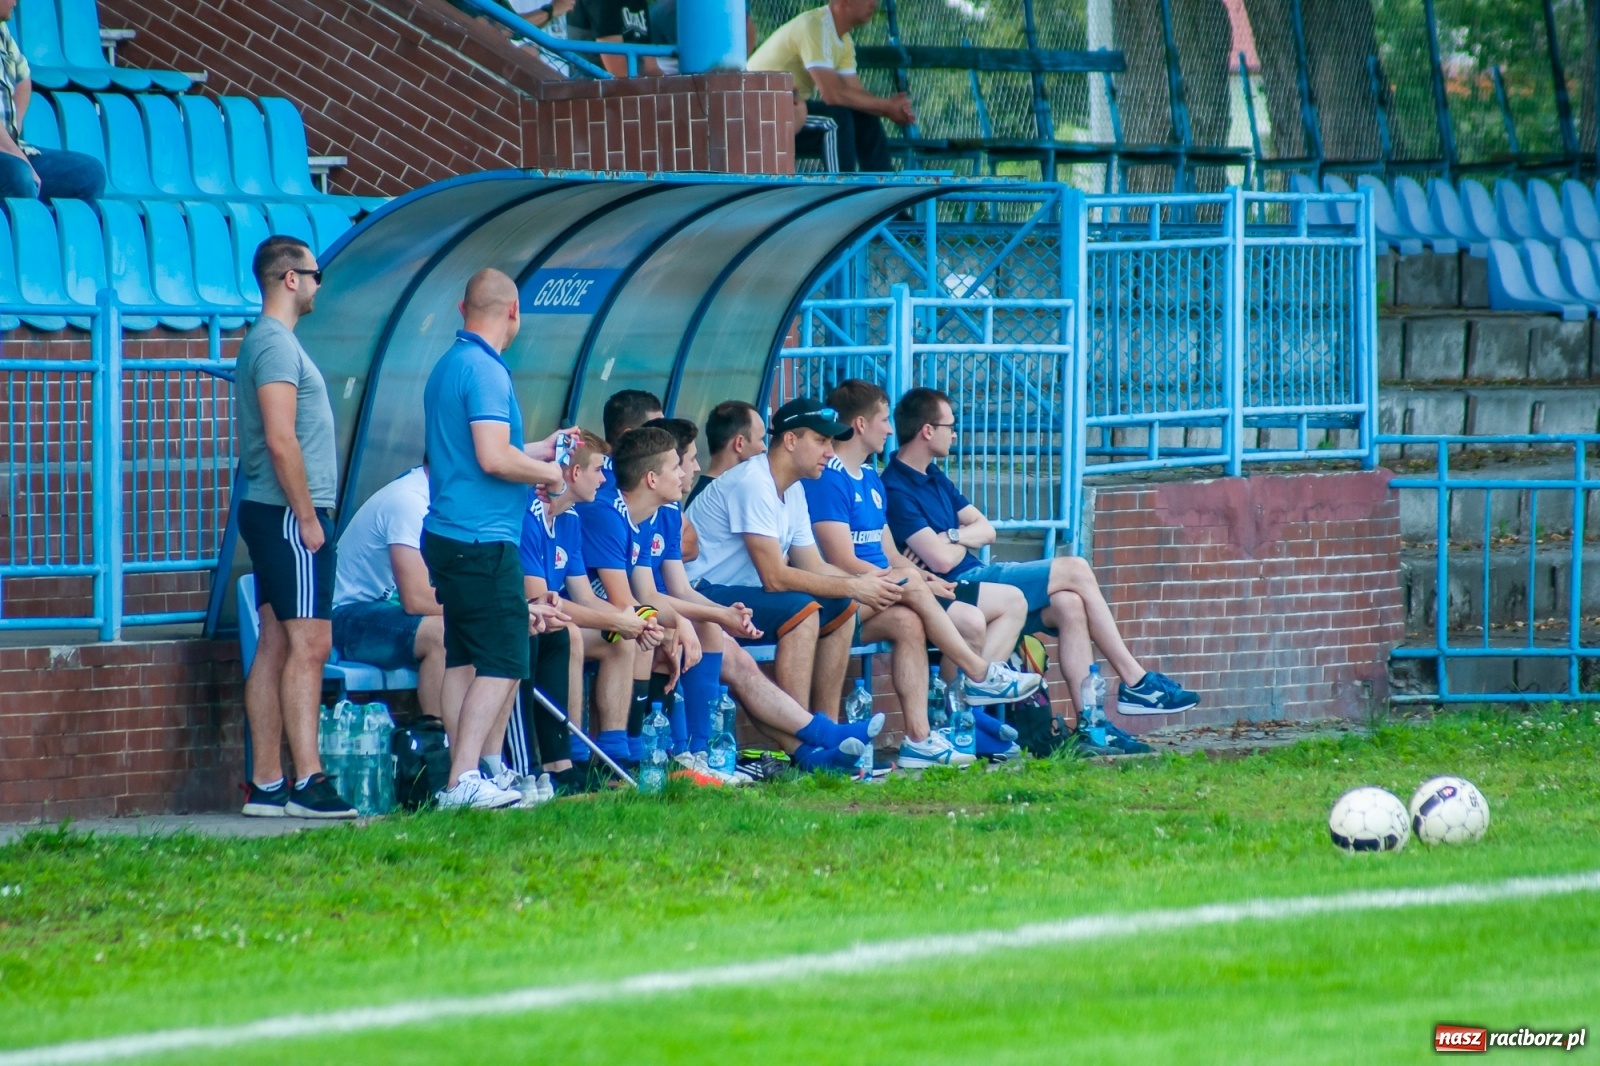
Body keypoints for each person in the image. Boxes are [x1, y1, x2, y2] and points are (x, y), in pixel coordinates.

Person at [883, 387, 1199, 751]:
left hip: (977, 577)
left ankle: (1092, 727)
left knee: (1069, 604)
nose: (954, 434)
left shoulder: (935, 476)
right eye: (950, 426)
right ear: (927, 430)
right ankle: (1136, 681)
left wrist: (951, 536)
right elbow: (940, 562)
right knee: (1076, 569)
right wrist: (959, 543)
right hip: (963, 585)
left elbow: (986, 530)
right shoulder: (895, 485)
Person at [615, 423, 883, 775]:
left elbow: (672, 589)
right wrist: (708, 616)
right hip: (634, 619)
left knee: (735, 646)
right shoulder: (615, 513)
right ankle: (696, 752)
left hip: (675, 610)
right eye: (683, 464)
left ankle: (811, 750)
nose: (693, 470)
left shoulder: (665, 513)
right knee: (770, 627)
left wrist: (719, 614)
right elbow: (640, 597)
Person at [807, 380, 1042, 767]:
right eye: (884, 420)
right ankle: (979, 672)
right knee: (916, 586)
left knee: (909, 624)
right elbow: (842, 560)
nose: (889, 429)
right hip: (839, 594)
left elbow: (887, 552)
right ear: (862, 424)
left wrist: (924, 579)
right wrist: (907, 579)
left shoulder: (869, 477)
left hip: (874, 595)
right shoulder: (829, 478)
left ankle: (918, 739)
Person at [421, 268, 570, 809]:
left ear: (463, 309)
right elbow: (490, 456)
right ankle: (465, 779)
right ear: (513, 313)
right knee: (507, 656)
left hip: (451, 535)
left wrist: (540, 448)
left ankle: (471, 775)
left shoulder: (450, 365)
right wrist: (553, 476)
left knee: (465, 658)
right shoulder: (486, 371)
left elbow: (480, 449)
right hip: (482, 540)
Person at [234, 236, 355, 819]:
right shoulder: (276, 346)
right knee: (312, 643)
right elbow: (282, 440)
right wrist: (309, 517)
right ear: (290, 279)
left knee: (278, 642)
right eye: (315, 274)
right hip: (288, 515)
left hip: (274, 512)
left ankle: (266, 784)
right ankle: (307, 781)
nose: (318, 285)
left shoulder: (271, 343)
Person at [687, 397, 899, 714]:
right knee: (802, 608)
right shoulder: (754, 482)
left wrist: (873, 584)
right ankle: (802, 732)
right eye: (820, 441)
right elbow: (775, 579)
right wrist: (855, 586)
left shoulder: (795, 487)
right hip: (701, 593)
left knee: (843, 605)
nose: (830, 452)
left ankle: (826, 723)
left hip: (741, 595)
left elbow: (813, 565)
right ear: (789, 440)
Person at [518, 429, 666, 791]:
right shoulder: (529, 514)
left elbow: (584, 596)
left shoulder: (570, 520)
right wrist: (618, 618)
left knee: (621, 638)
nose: (605, 478)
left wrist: (636, 621)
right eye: (599, 469)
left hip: (555, 621)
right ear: (574, 473)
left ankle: (613, 754)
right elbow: (541, 601)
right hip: (530, 625)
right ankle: (570, 759)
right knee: (567, 632)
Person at [330, 464, 448, 721]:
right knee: (444, 634)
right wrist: (485, 610)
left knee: (485, 633)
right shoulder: (409, 501)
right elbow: (416, 599)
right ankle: (436, 747)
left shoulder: (443, 501)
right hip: (341, 617)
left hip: (381, 612)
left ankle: (482, 756)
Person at [748, 0, 914, 173]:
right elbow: (832, 94)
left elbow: (856, 94)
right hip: (759, 116)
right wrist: (887, 107)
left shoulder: (844, 40)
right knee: (834, 120)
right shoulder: (814, 26)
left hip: (791, 110)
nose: (874, 3)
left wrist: (892, 109)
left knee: (866, 118)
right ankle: (841, 193)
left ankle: (881, 191)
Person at [0, 0, 106, 201]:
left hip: (7, 146)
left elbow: (23, 78)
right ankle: (23, 232)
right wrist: (17, 156)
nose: (16, 1)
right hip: (5, 153)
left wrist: (15, 125)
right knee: (18, 175)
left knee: (89, 174)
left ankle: (70, 233)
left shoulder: (2, 31)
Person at [688, 399, 765, 507]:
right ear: (739, 443)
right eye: (761, 439)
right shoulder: (713, 500)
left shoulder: (708, 495)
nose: (764, 448)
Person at [567, 0, 661, 77]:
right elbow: (619, 74)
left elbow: (651, 68)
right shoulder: (602, 3)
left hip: (632, 87)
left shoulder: (638, 2)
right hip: (594, 91)